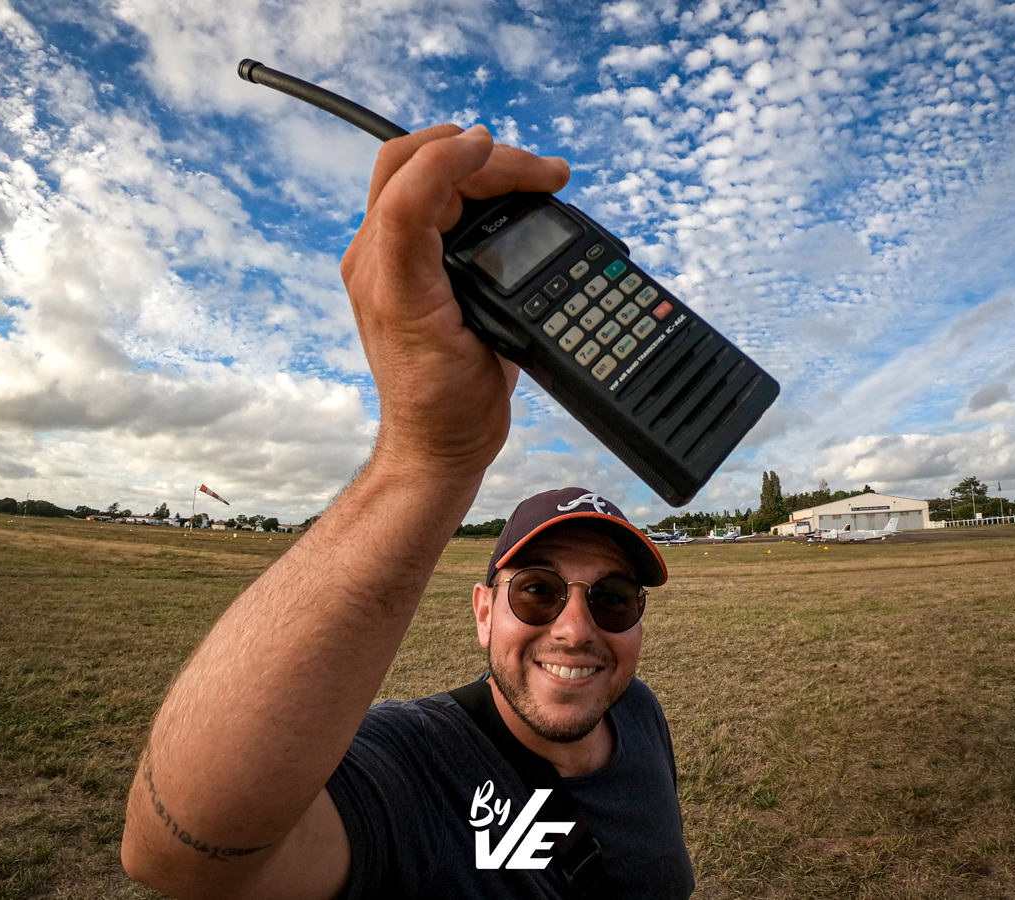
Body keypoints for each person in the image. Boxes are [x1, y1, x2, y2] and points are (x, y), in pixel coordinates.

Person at [120, 124, 693, 899]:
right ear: (484, 610)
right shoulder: (414, 760)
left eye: (615, 598)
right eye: (538, 590)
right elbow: (179, 857)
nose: (576, 627)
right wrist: (429, 455)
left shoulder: (639, 719)